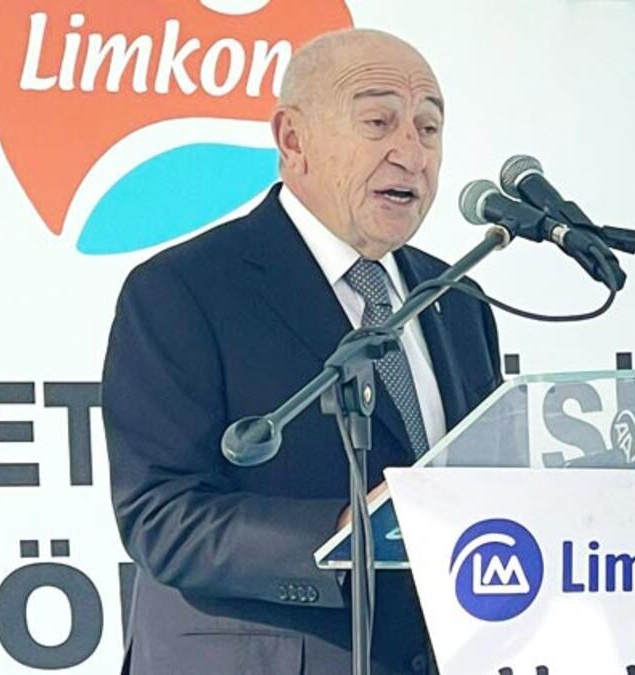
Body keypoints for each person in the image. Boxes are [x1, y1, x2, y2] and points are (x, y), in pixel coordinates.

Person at [102, 29, 502, 675]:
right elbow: (161, 516)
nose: (411, 154)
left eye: (429, 129)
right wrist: (345, 531)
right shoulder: (183, 288)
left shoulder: (457, 298)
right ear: (292, 140)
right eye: (379, 122)